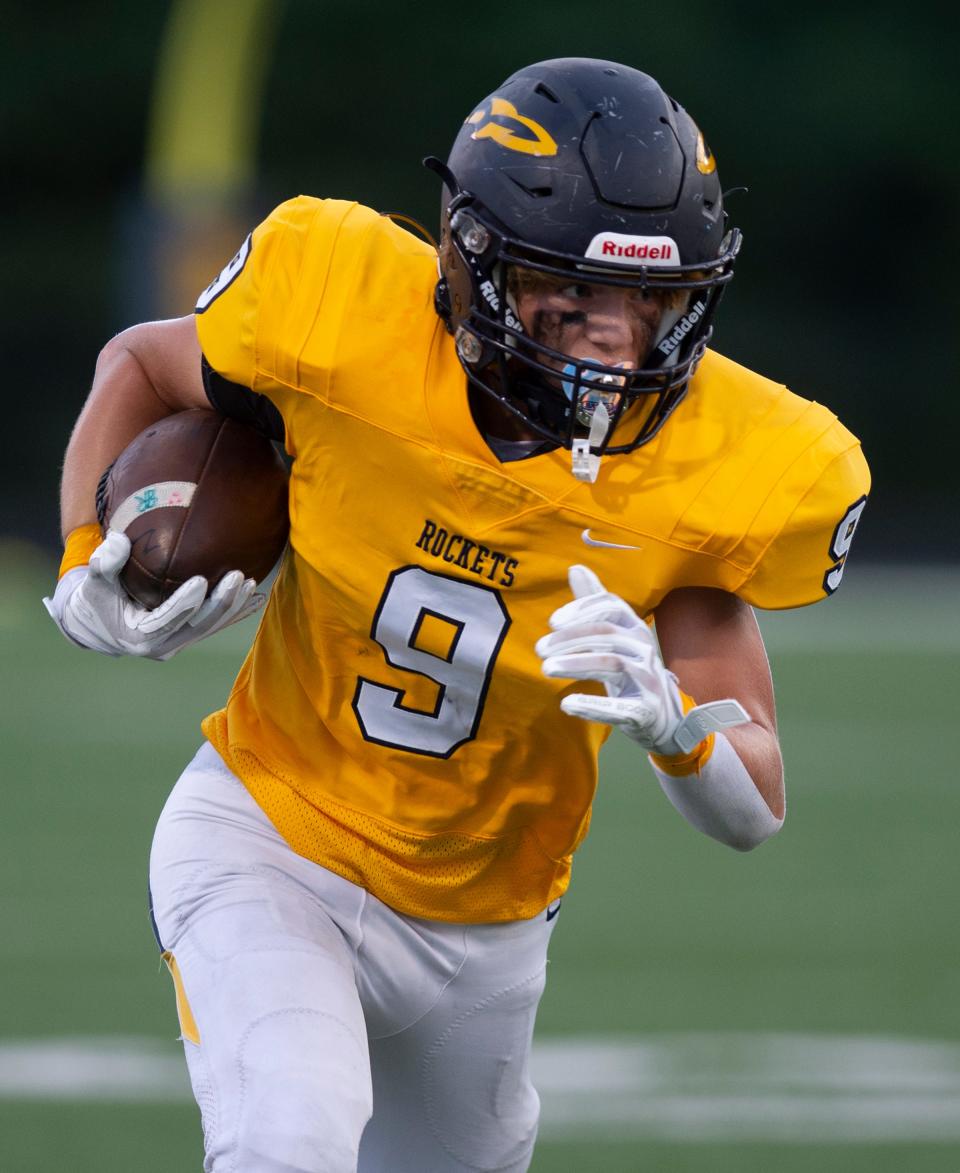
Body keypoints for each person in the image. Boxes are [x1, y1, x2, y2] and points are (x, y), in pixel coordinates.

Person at [45, 57, 869, 1173]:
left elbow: (755, 807)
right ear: (474, 264)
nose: (613, 338)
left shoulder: (738, 465)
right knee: (288, 1139)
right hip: (272, 835)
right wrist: (88, 556)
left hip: (488, 928)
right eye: (568, 291)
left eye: (649, 300)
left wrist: (680, 728)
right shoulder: (343, 313)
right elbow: (141, 362)